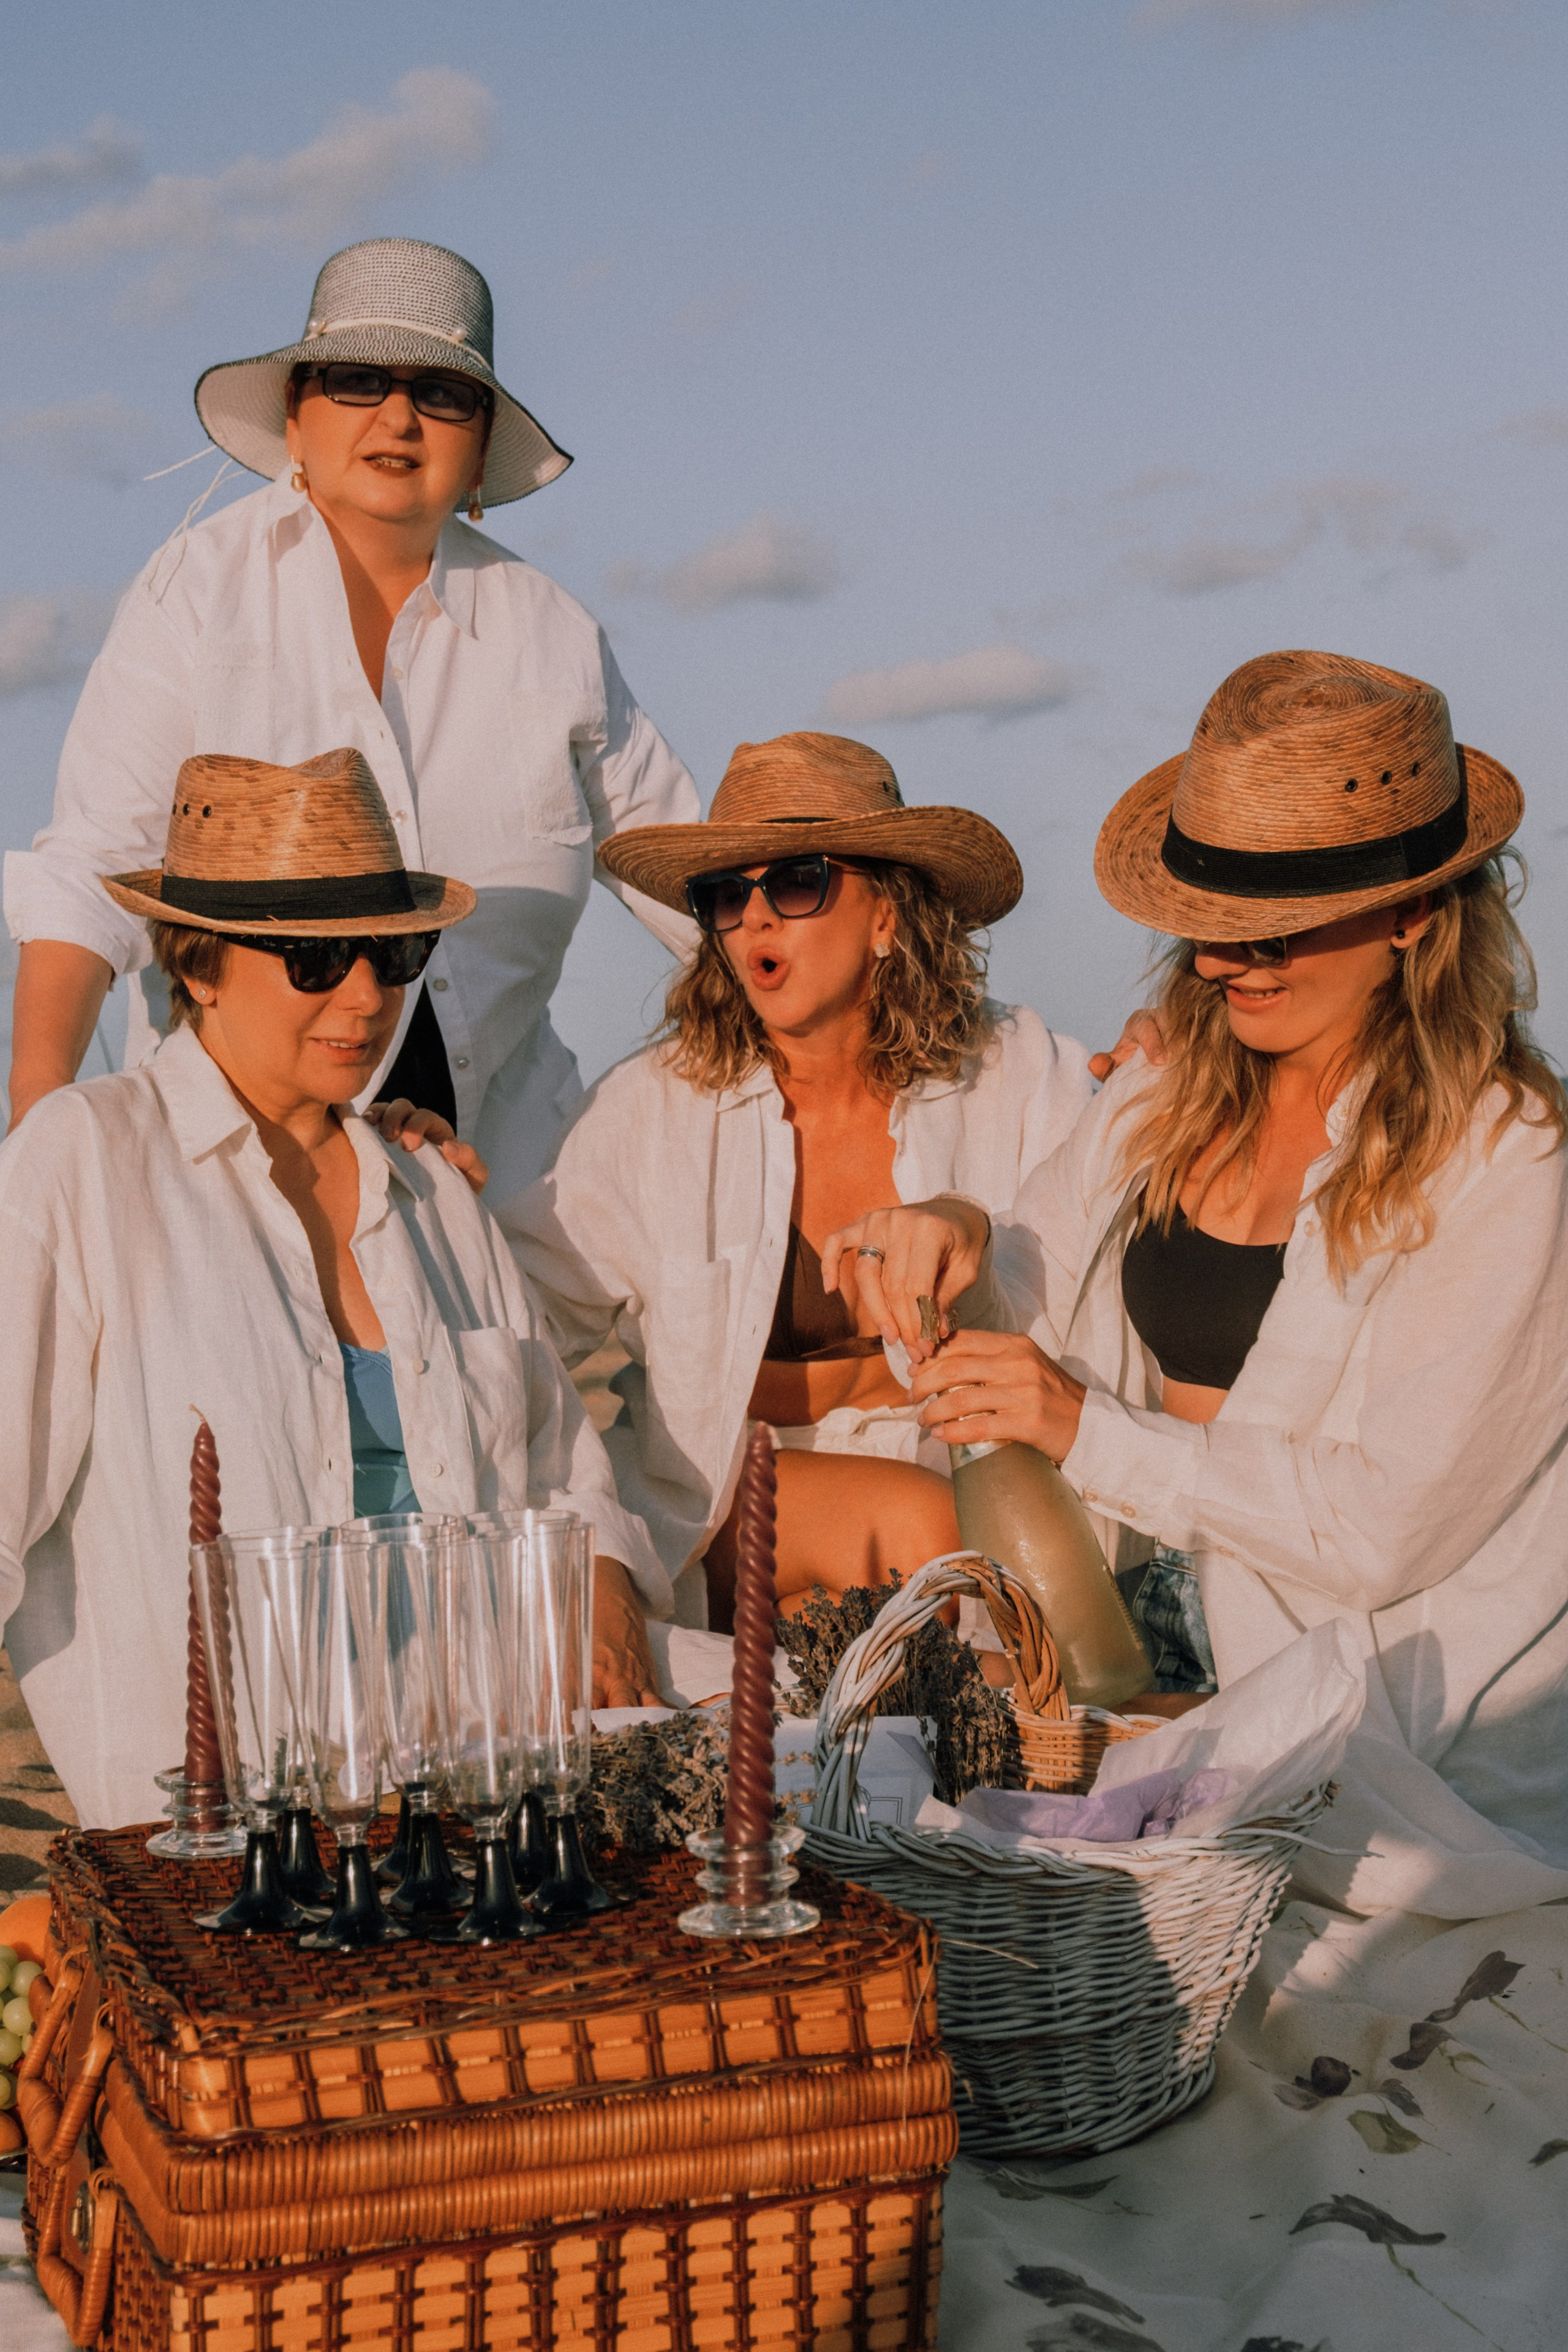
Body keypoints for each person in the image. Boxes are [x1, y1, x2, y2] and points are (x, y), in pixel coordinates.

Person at [823, 650, 1568, 1910]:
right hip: (1123, 1675)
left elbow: (1382, 1529)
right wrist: (947, 1237)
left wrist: (1078, 1427)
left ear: (1412, 914)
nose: (1233, 956)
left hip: (1386, 1731)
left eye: (1281, 917)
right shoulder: (1161, 1099)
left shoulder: (1506, 1156)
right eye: (1210, 914)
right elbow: (1029, 1276)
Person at [0, 748, 668, 1832]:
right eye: (314, 957)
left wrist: (604, 1576)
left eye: (391, 950)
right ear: (200, 963)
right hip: (230, 1831)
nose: (366, 994)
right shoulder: (86, 1163)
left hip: (489, 1800)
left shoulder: (439, 1198)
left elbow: (564, 1472)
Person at [4, 238, 698, 1200]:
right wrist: (41, 1116)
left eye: (442, 393)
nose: (399, 417)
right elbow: (92, 867)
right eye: (358, 379)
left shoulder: (557, 635)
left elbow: (697, 888)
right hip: (229, 1182)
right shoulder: (194, 592)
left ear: (479, 443)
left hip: (503, 1185)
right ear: (296, 416)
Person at [440, 730, 1091, 1630]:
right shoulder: (658, 1109)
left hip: (968, 1510)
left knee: (897, 1617)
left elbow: (1109, 1221)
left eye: (795, 883)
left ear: (886, 915)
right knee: (924, 1532)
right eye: (726, 896)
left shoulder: (1011, 1070)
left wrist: (1160, 1048)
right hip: (729, 1502)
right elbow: (518, 1312)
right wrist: (425, 1192)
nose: (755, 920)